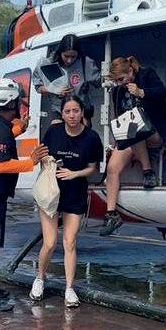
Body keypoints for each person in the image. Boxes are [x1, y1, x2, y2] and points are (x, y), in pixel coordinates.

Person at [0, 78, 49, 311]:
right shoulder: (0, 130)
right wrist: (31, 161)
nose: (19, 106)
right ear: (11, 103)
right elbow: (2, 165)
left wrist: (19, 129)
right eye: (17, 102)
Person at [29, 96, 103, 307]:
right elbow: (40, 157)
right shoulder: (53, 132)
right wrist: (48, 162)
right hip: (51, 192)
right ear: (62, 114)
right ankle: (40, 278)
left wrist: (74, 173)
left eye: (76, 111)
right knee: (50, 242)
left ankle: (69, 288)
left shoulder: (91, 137)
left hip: (75, 192)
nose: (72, 115)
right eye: (68, 111)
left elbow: (93, 169)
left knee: (70, 241)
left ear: (82, 113)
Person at [100, 56, 166, 236]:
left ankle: (148, 171)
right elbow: (120, 117)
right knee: (112, 168)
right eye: (116, 81)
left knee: (135, 131)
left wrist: (141, 92)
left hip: (156, 131)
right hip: (132, 135)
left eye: (121, 79)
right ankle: (112, 214)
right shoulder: (118, 91)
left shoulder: (147, 75)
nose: (120, 83)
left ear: (130, 71)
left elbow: (162, 92)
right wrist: (117, 141)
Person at [33, 34, 100, 127]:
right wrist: (53, 89)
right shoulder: (49, 64)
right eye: (66, 56)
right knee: (56, 130)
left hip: (80, 111)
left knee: (81, 133)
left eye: (73, 57)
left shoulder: (85, 63)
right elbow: (38, 87)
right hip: (59, 110)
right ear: (60, 52)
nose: (69, 60)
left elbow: (100, 81)